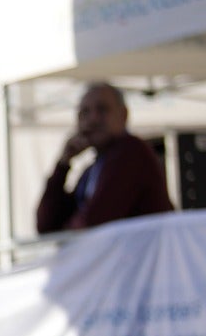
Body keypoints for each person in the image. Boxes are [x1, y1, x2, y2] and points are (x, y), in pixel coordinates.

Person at [36, 82, 174, 234]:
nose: (93, 119)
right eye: (84, 113)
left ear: (124, 115)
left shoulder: (131, 152)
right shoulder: (92, 171)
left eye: (102, 110)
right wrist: (63, 164)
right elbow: (46, 225)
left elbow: (94, 222)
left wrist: (67, 234)